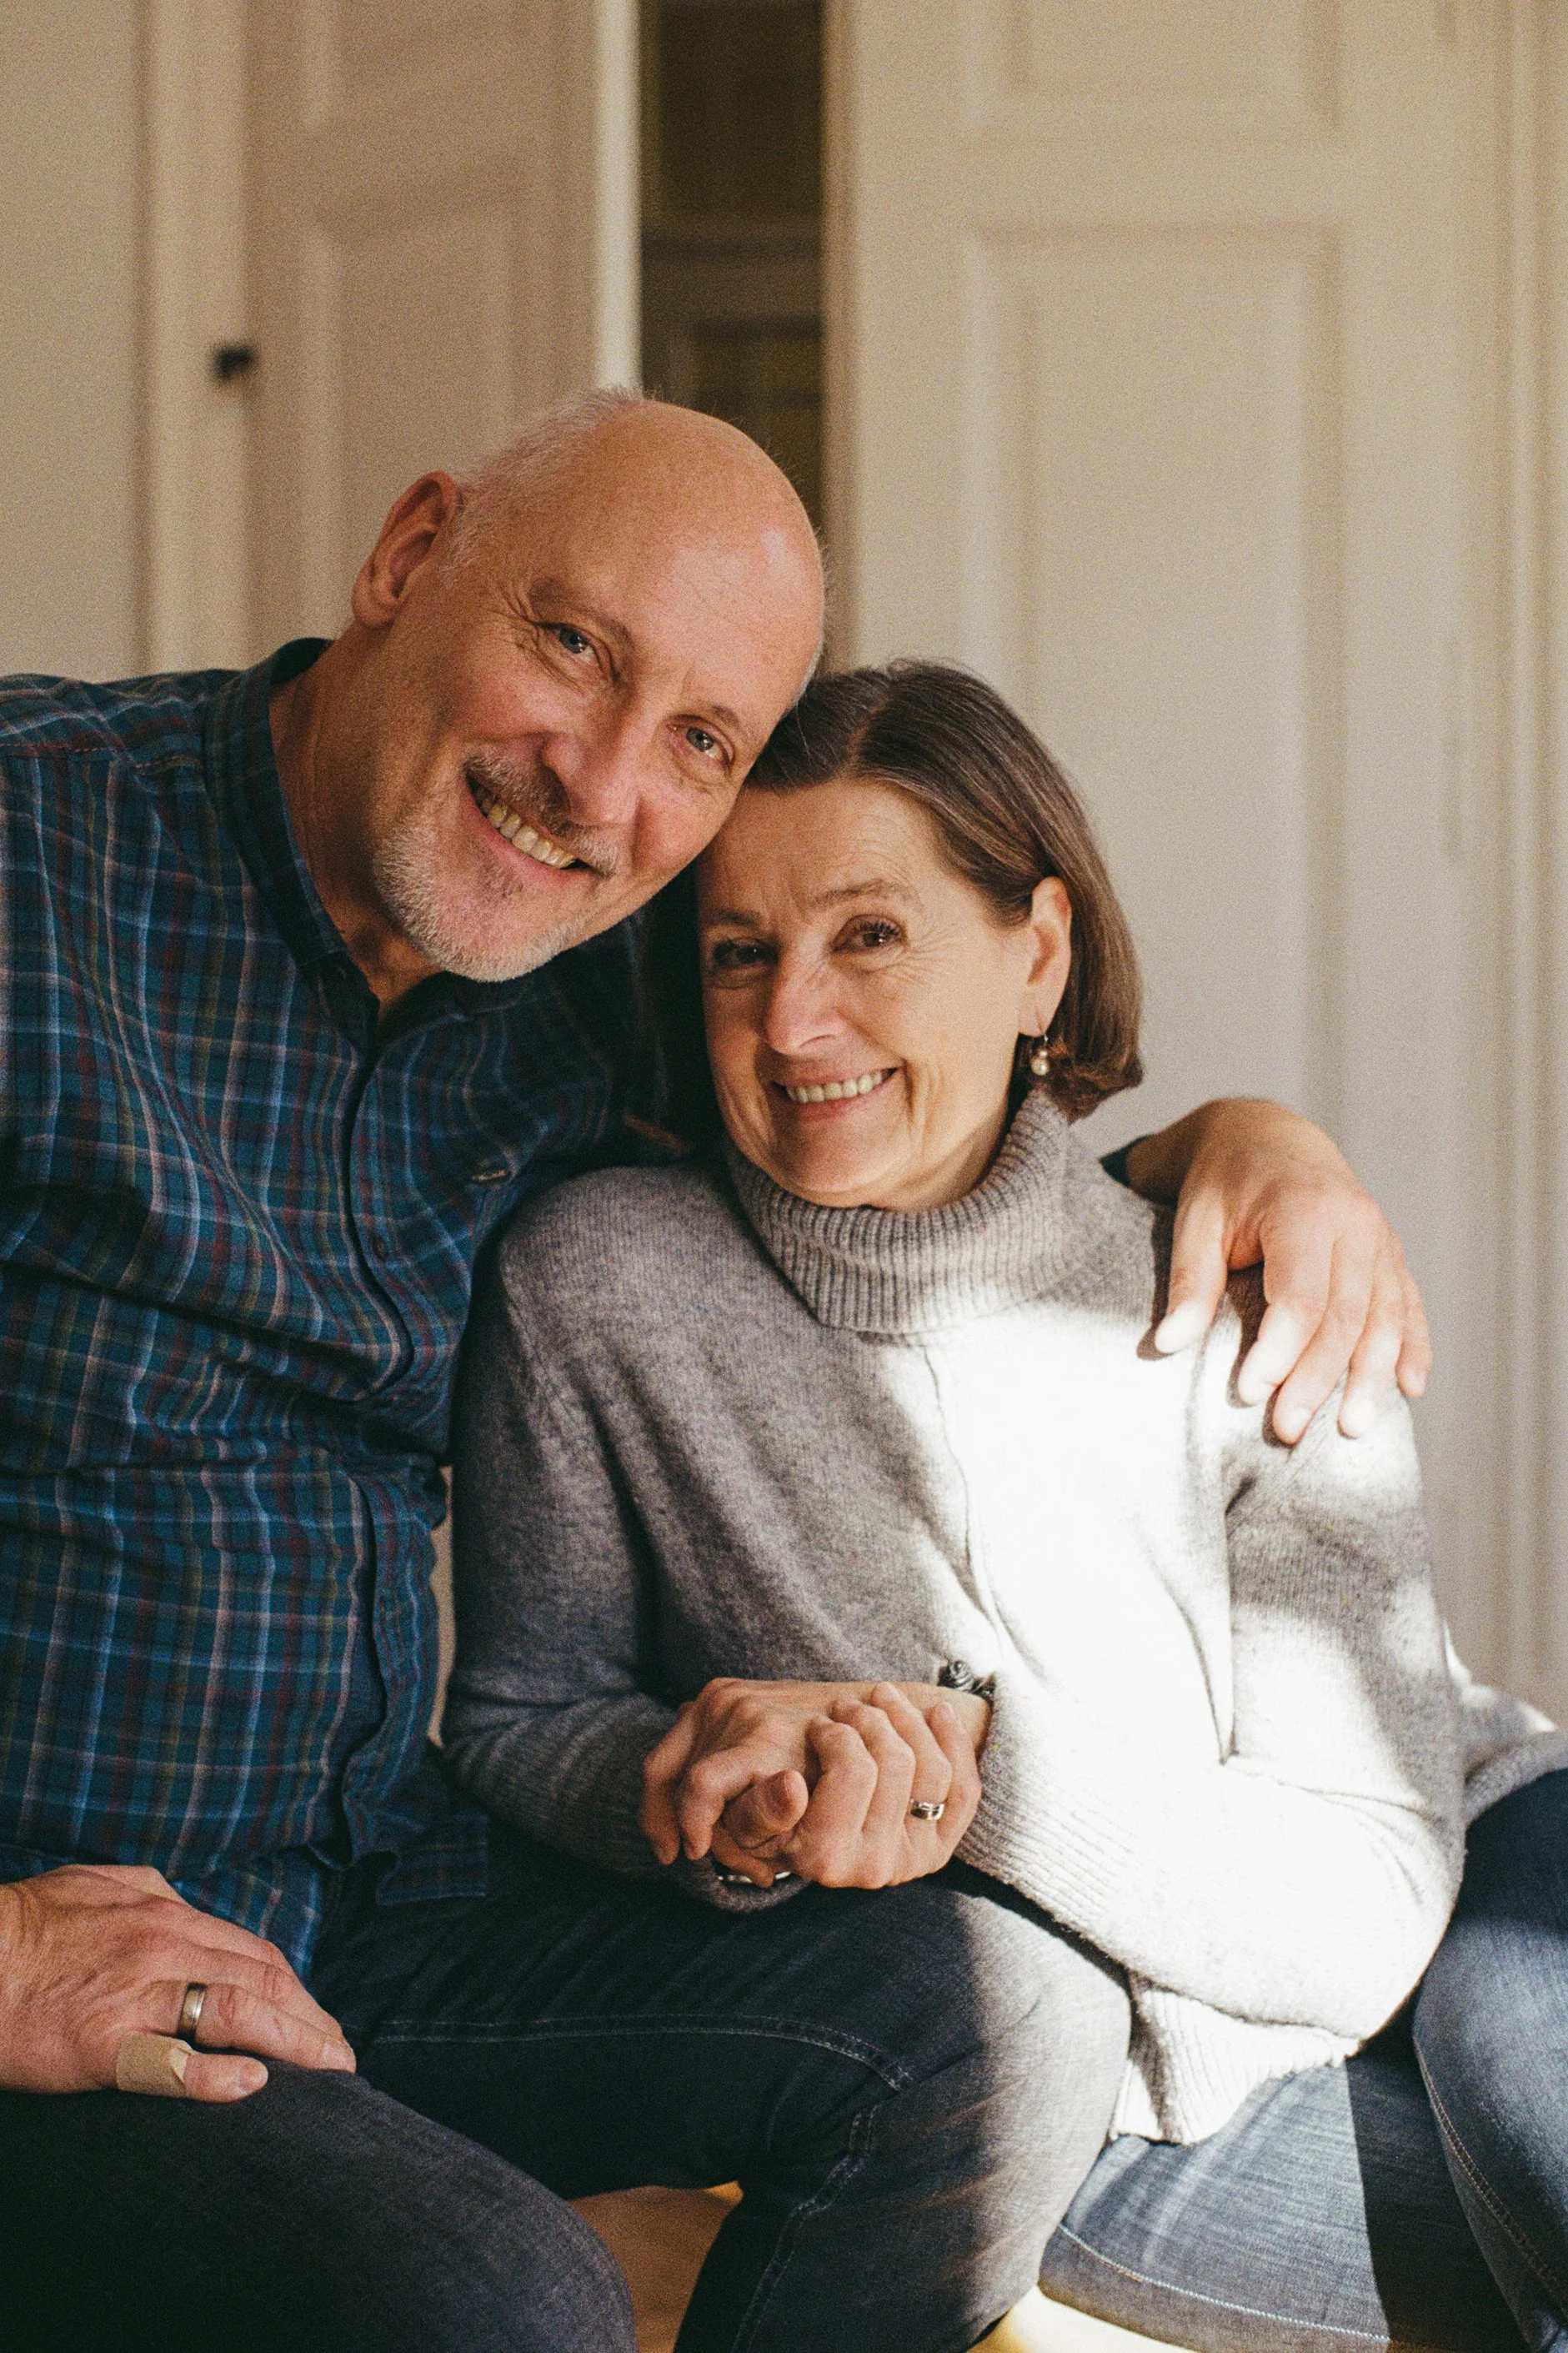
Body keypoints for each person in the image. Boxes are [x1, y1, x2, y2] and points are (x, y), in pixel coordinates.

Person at [0, 389, 1433, 2353]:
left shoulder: (591, 955)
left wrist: (1251, 1144)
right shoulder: (31, 866)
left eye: (699, 739)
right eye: (570, 644)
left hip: (376, 1904)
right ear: (409, 556)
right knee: (504, 2299)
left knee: (997, 2014)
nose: (599, 785)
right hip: (64, 1954)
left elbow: (918, 1148)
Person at [445, 659, 1568, 2351]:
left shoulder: (1251, 1285)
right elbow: (527, 1717)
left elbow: (1361, 1913)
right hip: (1115, 2095)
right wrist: (708, 1800)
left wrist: (973, 1775)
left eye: (870, 935)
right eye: (740, 949)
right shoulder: (597, 1288)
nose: (792, 1021)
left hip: (1465, 1860)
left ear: (1037, 950)